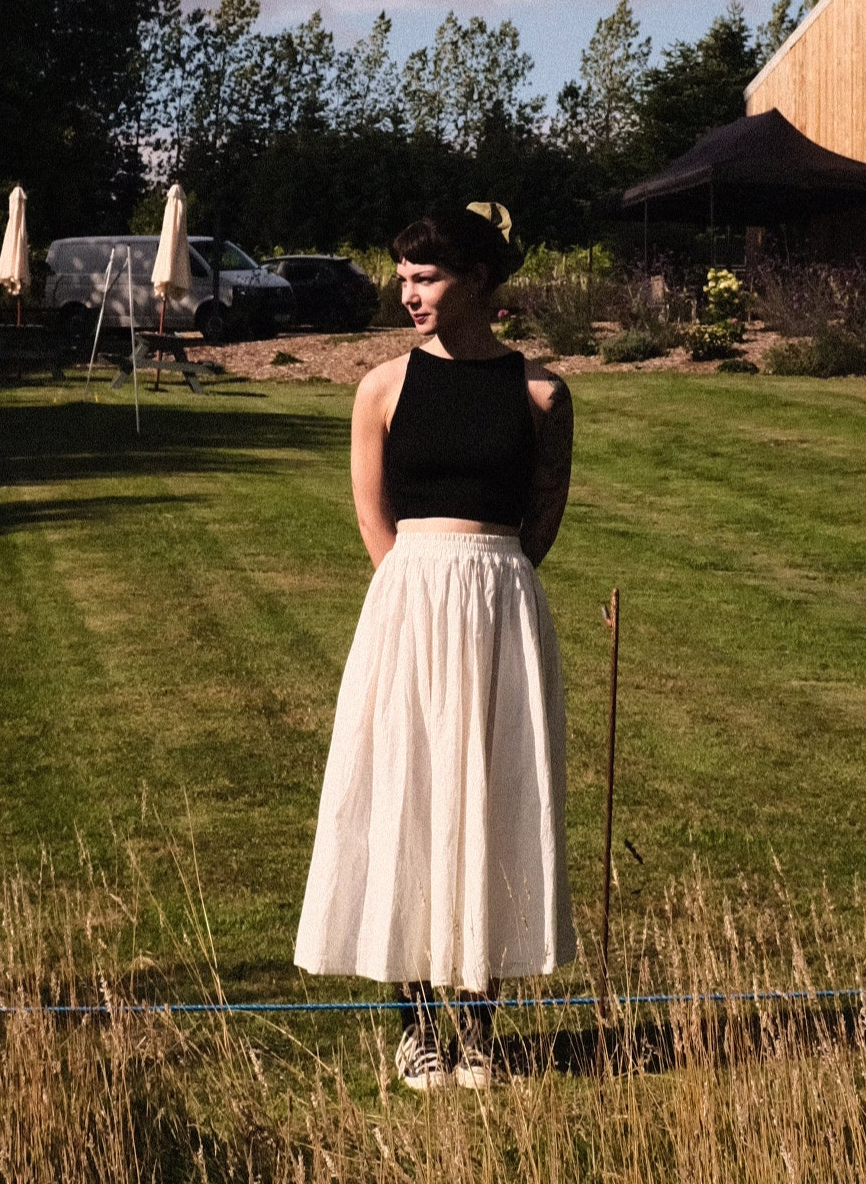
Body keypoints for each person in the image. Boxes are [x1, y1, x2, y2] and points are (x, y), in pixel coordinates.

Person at [293, 203, 576, 1090]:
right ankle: (415, 1028)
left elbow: (541, 521)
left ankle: (479, 1029)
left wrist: (487, 585)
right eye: (404, 277)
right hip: (408, 605)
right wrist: (417, 596)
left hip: (500, 609)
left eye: (428, 277)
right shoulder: (381, 388)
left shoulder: (542, 395)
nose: (408, 293)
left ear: (479, 281)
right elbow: (373, 516)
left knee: (491, 799)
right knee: (408, 800)